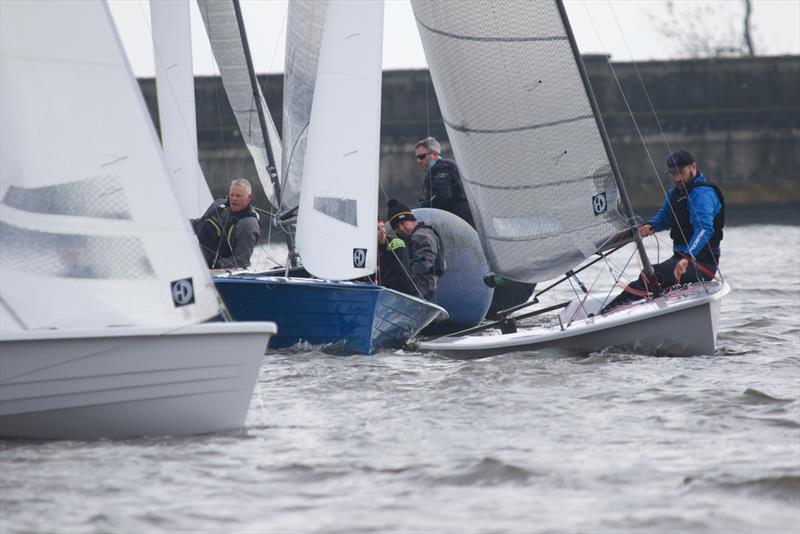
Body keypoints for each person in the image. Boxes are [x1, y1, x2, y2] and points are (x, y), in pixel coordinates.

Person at [602, 149, 725, 313]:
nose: (677, 178)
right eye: (673, 174)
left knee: (652, 275)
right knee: (649, 275)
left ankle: (607, 314)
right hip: (680, 261)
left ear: (693, 167)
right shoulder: (674, 194)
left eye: (681, 172)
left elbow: (704, 230)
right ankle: (616, 313)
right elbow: (664, 218)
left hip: (702, 265)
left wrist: (688, 257)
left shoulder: (703, 194)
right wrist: (650, 226)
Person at [378, 199, 445, 301]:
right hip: (414, 285)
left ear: (413, 221)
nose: (401, 228)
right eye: (396, 226)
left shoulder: (421, 235)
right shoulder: (406, 239)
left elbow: (422, 266)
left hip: (421, 287)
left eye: (403, 223)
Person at [193, 178, 260, 270]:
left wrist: (218, 264)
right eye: (232, 195)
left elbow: (241, 261)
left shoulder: (249, 225)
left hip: (220, 273)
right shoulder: (218, 205)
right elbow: (199, 225)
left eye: (238, 196)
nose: (234, 199)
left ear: (248, 198)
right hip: (195, 261)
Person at [414, 137, 474, 227]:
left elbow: (442, 197)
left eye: (422, 156)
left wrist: (424, 206)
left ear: (434, 154)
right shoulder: (440, 168)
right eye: (417, 157)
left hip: (458, 222)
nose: (418, 161)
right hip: (457, 220)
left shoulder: (442, 168)